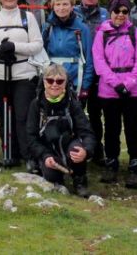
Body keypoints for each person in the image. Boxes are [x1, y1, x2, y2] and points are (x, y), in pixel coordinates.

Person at [0, 0, 44, 170]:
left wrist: (14, 47)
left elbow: (37, 45)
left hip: (24, 74)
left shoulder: (28, 18)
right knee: (4, 115)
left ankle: (28, 156)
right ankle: (9, 154)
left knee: (23, 116)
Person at [92, 0, 137, 187]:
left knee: (133, 128)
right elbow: (99, 61)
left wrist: (129, 83)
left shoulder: (136, 33)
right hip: (109, 89)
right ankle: (111, 162)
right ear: (110, 12)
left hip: (134, 89)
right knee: (111, 128)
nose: (121, 15)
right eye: (117, 11)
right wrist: (115, 83)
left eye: (125, 11)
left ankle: (135, 165)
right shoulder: (101, 33)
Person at [26, 64, 95, 197]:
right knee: (51, 174)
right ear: (44, 82)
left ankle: (80, 180)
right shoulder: (36, 105)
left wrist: (86, 151)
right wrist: (45, 156)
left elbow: (87, 132)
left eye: (59, 81)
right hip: (47, 150)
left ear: (66, 83)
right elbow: (31, 137)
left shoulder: (72, 103)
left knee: (77, 151)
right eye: (50, 80)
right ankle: (54, 177)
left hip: (69, 144)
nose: (54, 84)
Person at [74, 0, 108, 164]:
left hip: (98, 69)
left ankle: (97, 150)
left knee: (95, 113)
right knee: (76, 111)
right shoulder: (73, 12)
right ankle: (75, 147)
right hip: (77, 69)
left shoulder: (105, 14)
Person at [43, 0, 94, 96]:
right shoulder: (47, 27)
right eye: (58, 4)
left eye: (65, 4)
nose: (61, 8)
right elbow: (40, 55)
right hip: (51, 81)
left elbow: (89, 59)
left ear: (72, 7)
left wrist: (85, 85)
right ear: (53, 6)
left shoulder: (82, 28)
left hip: (75, 80)